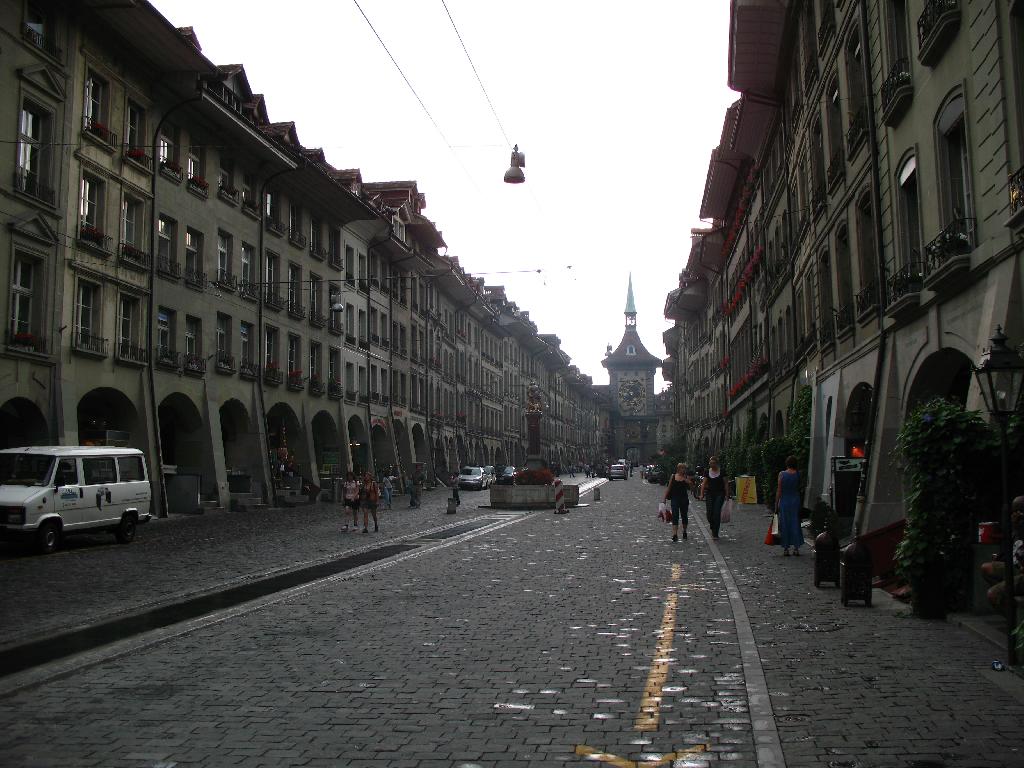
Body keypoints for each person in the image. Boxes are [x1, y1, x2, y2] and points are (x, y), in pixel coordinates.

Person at [775, 455, 803, 555]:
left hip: (785, 501)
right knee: (795, 523)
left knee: (785, 524)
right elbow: (799, 488)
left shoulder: (782, 474)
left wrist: (776, 503)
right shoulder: (798, 474)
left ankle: (786, 549)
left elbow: (779, 490)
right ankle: (796, 548)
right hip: (795, 500)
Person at [699, 456, 729, 540]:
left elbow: (726, 483)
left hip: (720, 493)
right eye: (710, 463)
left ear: (716, 463)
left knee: (716, 512)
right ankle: (712, 526)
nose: (711, 465)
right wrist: (702, 494)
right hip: (709, 494)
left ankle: (715, 533)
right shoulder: (707, 472)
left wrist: (727, 494)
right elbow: (703, 484)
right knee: (709, 513)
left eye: (713, 463)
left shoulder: (722, 471)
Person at [664, 462, 694, 542]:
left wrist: (690, 482)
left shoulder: (686, 478)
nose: (683, 470)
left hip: (684, 499)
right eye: (681, 468)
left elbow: (692, 489)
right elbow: (669, 487)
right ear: (678, 469)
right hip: (675, 498)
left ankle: (684, 531)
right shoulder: (673, 476)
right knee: (675, 515)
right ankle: (675, 534)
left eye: (684, 468)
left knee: (684, 516)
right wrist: (664, 498)